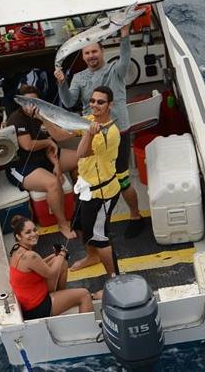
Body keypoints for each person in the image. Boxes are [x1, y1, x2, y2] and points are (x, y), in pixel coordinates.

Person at [54, 24, 144, 238]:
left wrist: (124, 35)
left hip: (117, 134)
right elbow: (68, 101)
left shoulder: (116, 70)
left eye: (95, 51)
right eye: (87, 52)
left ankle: (135, 216)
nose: (91, 55)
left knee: (121, 180)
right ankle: (93, 220)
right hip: (91, 134)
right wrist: (62, 83)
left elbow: (125, 56)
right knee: (89, 176)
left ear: (102, 52)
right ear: (82, 56)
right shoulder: (79, 78)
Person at [4, 85, 77, 239]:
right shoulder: (16, 118)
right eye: (28, 102)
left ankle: (79, 203)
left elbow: (56, 138)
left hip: (46, 157)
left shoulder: (44, 115)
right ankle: (63, 223)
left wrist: (57, 165)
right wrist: (49, 143)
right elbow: (28, 145)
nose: (32, 105)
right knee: (53, 184)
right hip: (23, 165)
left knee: (80, 158)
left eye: (35, 101)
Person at [72, 86, 121, 275]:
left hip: (102, 194)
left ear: (110, 105)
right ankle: (91, 257)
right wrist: (43, 117)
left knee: (100, 237)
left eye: (100, 102)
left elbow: (81, 153)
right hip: (85, 187)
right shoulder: (89, 120)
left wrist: (89, 133)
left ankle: (114, 278)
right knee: (79, 227)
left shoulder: (110, 133)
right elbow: (61, 134)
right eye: (92, 101)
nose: (95, 105)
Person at [8, 215, 93, 320]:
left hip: (27, 302)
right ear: (18, 237)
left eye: (35, 230)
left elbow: (37, 266)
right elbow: (52, 273)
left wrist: (55, 256)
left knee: (61, 263)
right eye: (28, 232)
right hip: (36, 307)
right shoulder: (31, 256)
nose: (34, 234)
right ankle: (86, 330)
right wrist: (62, 254)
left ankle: (63, 296)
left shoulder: (16, 250)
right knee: (84, 294)